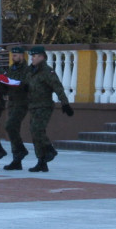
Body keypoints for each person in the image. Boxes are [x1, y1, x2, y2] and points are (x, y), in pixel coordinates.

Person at [24, 45, 74, 173]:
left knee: (37, 129)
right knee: (35, 133)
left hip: (44, 106)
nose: (32, 59)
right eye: (31, 56)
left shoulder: (47, 71)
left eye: (34, 56)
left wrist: (65, 104)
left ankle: (49, 149)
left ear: (41, 57)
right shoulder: (30, 71)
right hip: (33, 106)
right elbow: (25, 84)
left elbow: (58, 87)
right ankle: (41, 161)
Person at [1, 46, 30, 170]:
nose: (14, 57)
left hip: (22, 102)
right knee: (14, 130)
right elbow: (6, 83)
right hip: (12, 103)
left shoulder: (27, 69)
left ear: (22, 56)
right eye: (13, 55)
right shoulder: (11, 68)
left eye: (16, 55)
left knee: (10, 126)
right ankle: (16, 160)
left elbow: (24, 84)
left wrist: (12, 82)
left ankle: (21, 150)